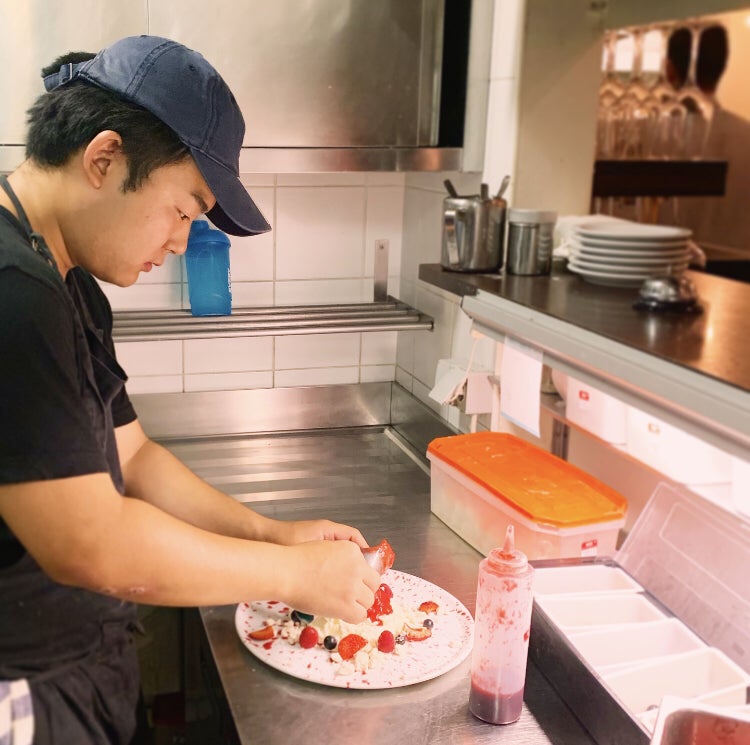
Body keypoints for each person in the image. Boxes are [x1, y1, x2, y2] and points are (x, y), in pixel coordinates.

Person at [0, 35, 380, 744]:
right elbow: (92, 543)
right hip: (21, 694)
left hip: (81, 667)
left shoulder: (68, 283)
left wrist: (271, 532)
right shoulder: (12, 293)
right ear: (104, 158)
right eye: (183, 210)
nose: (181, 242)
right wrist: (292, 573)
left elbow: (135, 458)